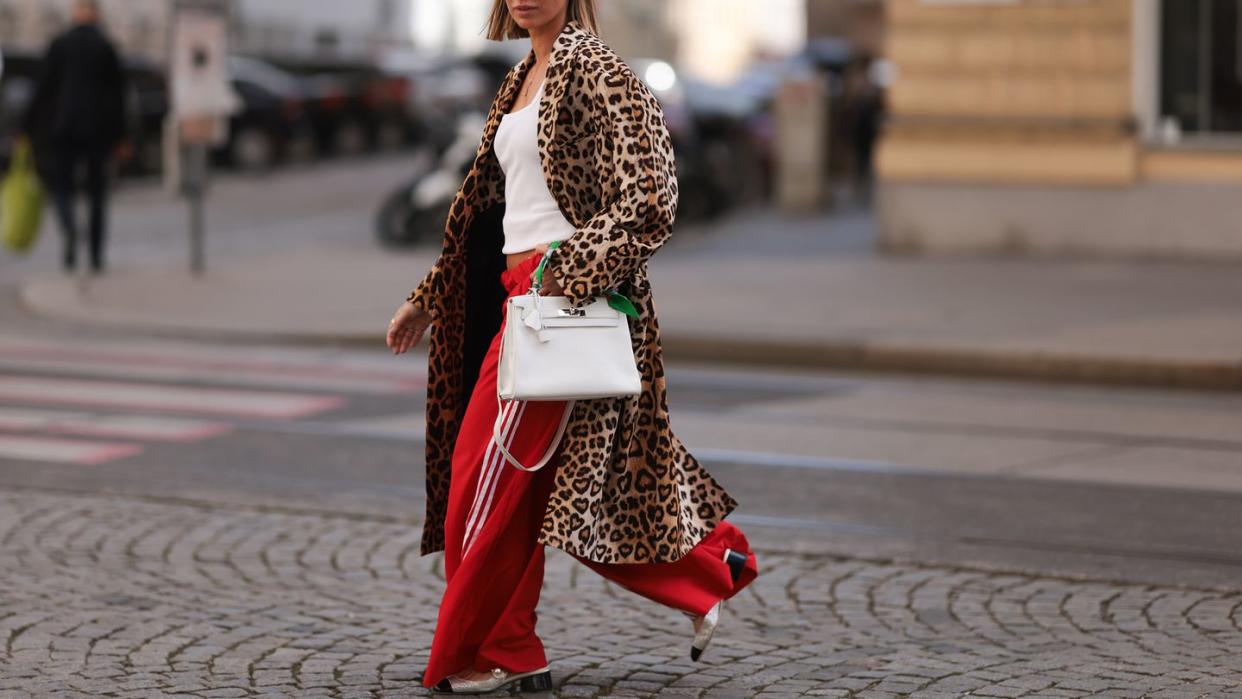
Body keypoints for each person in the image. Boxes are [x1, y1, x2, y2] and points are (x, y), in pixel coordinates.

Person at [385, 0, 759, 694]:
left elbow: (651, 196)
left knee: (485, 485)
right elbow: (486, 208)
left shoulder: (596, 67)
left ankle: (496, 646)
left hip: (560, 305)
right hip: (521, 298)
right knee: (538, 487)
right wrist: (431, 294)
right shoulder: (521, 75)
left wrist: (565, 273)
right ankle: (712, 570)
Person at [22, 0, 128, 274]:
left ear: (75, 12)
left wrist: (26, 129)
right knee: (97, 194)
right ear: (95, 14)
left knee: (62, 187)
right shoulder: (105, 47)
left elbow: (43, 89)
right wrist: (123, 136)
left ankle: (69, 227)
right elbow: (118, 97)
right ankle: (95, 256)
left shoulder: (60, 44)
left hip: (63, 128)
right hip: (98, 130)